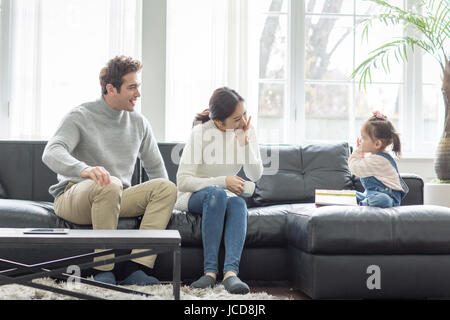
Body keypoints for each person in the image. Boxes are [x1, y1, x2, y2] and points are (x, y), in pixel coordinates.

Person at [42, 56, 177, 286]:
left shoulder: (139, 123)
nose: (138, 94)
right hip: (74, 196)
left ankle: (136, 268)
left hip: (116, 195)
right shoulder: (80, 115)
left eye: (138, 86)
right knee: (109, 184)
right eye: (132, 87)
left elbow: (155, 169)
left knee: (166, 188)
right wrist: (84, 169)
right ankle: (102, 270)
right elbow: (51, 152)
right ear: (111, 89)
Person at [175, 87, 264, 294]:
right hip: (192, 196)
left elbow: (255, 174)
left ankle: (231, 274)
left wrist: (244, 143)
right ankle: (209, 273)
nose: (243, 122)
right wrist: (223, 181)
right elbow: (182, 181)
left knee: (237, 202)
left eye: (244, 114)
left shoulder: (246, 129)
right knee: (217, 194)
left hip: (225, 197)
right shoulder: (201, 133)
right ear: (218, 122)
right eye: (236, 119)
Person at [348, 111, 409, 208]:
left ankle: (363, 203)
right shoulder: (377, 158)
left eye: (363, 138)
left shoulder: (379, 160)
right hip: (371, 194)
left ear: (377, 144)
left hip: (388, 197)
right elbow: (362, 165)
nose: (361, 141)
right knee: (352, 194)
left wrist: (358, 150)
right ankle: (354, 199)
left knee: (382, 200)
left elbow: (354, 167)